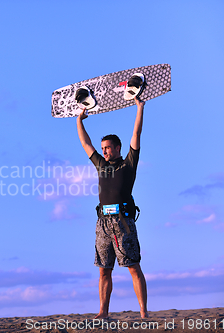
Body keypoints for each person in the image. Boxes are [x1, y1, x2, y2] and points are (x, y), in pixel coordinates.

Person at [77, 96, 148, 319]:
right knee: (103, 270)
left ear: (118, 148)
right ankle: (103, 312)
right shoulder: (101, 166)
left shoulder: (128, 165)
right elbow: (85, 144)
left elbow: (136, 135)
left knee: (133, 267)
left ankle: (144, 312)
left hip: (123, 222)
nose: (105, 152)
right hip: (103, 223)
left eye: (108, 148)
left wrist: (140, 107)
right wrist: (79, 119)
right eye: (103, 149)